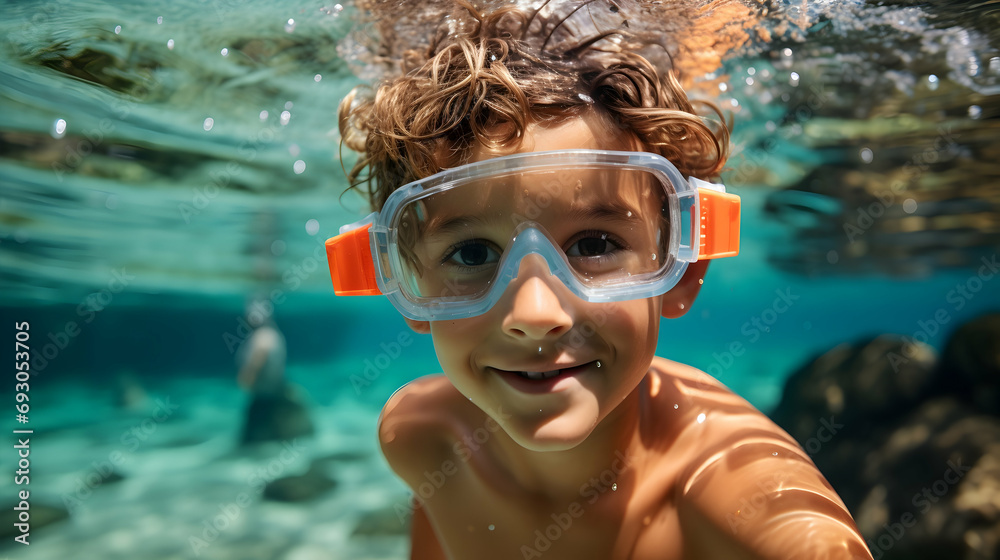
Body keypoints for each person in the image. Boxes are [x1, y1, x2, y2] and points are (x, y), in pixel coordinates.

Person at [326, 1, 873, 558]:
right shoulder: (422, 438)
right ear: (409, 288)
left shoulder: (744, 505)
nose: (536, 313)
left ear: (685, 270)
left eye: (594, 245)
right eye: (471, 254)